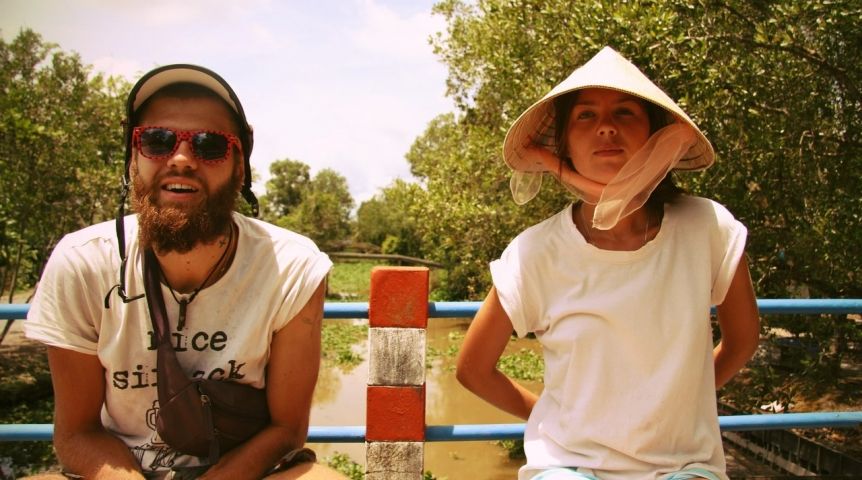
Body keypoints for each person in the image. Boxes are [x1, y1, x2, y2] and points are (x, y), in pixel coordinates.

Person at [24, 64, 346, 479]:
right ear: (133, 154)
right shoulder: (83, 261)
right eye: (157, 140)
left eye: (210, 145)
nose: (181, 159)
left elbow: (285, 430)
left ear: (240, 164)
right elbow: (77, 434)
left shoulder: (293, 268)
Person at [456, 47, 760, 480]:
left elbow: (743, 340)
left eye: (625, 112)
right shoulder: (535, 251)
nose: (606, 127)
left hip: (684, 466)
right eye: (585, 115)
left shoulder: (708, 227)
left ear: (655, 133)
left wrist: (677, 404)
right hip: (568, 467)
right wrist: (552, 422)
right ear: (564, 144)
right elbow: (472, 369)